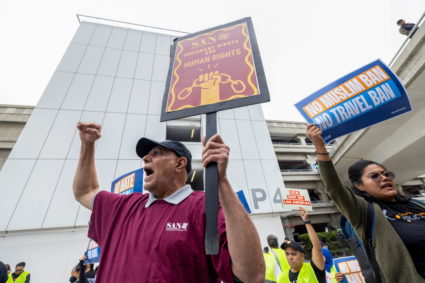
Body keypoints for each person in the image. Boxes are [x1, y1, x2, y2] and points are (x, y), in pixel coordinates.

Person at [72, 122, 265, 282]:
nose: (146, 158)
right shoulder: (123, 206)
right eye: (146, 155)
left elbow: (251, 275)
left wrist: (221, 180)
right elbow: (84, 191)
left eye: (156, 153)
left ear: (180, 164)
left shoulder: (205, 206)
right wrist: (87, 145)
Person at [307, 124, 425, 282]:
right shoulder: (364, 212)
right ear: (359, 186)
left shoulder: (417, 204)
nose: (384, 178)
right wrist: (320, 147)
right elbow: (335, 188)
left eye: (385, 173)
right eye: (374, 176)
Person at [277, 207, 326, 283]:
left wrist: (306, 221)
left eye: (293, 254)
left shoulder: (313, 268)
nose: (290, 257)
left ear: (302, 256)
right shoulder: (282, 278)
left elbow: (316, 247)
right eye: (287, 254)